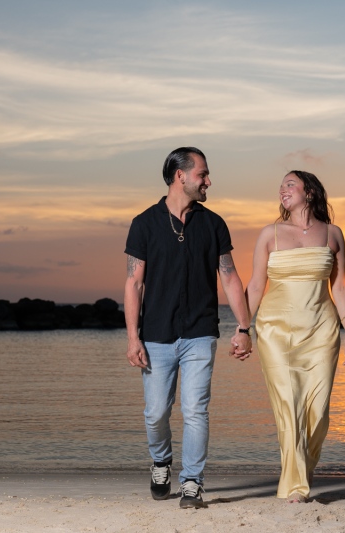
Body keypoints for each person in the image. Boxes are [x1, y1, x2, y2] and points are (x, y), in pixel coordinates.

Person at [124, 147, 252, 509]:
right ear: (180, 175)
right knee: (156, 413)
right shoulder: (145, 223)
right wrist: (133, 337)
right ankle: (161, 461)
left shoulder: (213, 224)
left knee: (196, 410)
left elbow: (229, 277)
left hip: (200, 332)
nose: (208, 181)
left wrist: (244, 327)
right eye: (203, 174)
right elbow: (134, 284)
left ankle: (193, 482)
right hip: (156, 335)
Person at [245, 170, 345, 503]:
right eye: (280, 186)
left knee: (318, 411)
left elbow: (339, 285)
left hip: (322, 330)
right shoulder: (270, 234)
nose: (282, 189)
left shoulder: (333, 234)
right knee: (288, 405)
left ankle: (301, 473)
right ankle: (295, 487)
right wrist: (241, 327)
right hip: (275, 330)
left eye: (289, 184)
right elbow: (254, 286)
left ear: (310, 192)